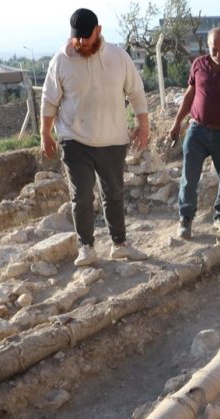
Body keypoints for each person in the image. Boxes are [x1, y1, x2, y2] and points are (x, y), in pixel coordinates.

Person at [41, 8, 149, 266]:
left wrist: (142, 124)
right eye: (77, 40)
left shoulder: (119, 56)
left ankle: (119, 244)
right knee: (82, 196)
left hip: (113, 139)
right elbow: (48, 99)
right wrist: (45, 133)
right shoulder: (61, 60)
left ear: (98, 31)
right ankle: (86, 248)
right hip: (74, 140)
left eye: (86, 40)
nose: (81, 45)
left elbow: (136, 91)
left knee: (114, 193)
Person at [169, 28, 220, 239]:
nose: (219, 54)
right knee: (189, 177)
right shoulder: (198, 65)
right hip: (197, 131)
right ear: (208, 46)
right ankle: (185, 220)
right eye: (215, 49)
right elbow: (189, 95)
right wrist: (177, 122)